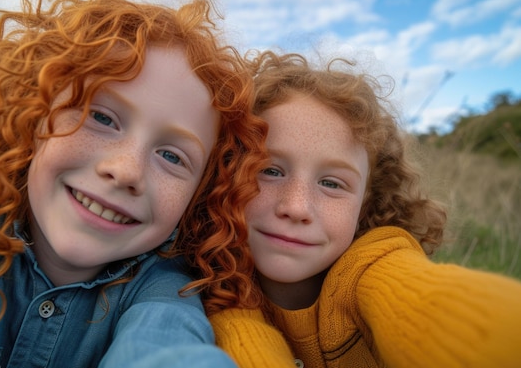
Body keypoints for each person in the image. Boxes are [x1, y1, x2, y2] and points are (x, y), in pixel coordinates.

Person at [0, 0, 268, 368]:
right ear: (32, 113)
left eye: (173, 157)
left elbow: (168, 345)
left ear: (199, 197)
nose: (126, 171)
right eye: (101, 117)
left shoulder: (162, 288)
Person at [208, 50, 521, 368]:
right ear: (225, 172)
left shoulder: (373, 266)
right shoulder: (208, 291)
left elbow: (430, 304)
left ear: (365, 206)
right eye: (270, 171)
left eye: (332, 184)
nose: (296, 207)